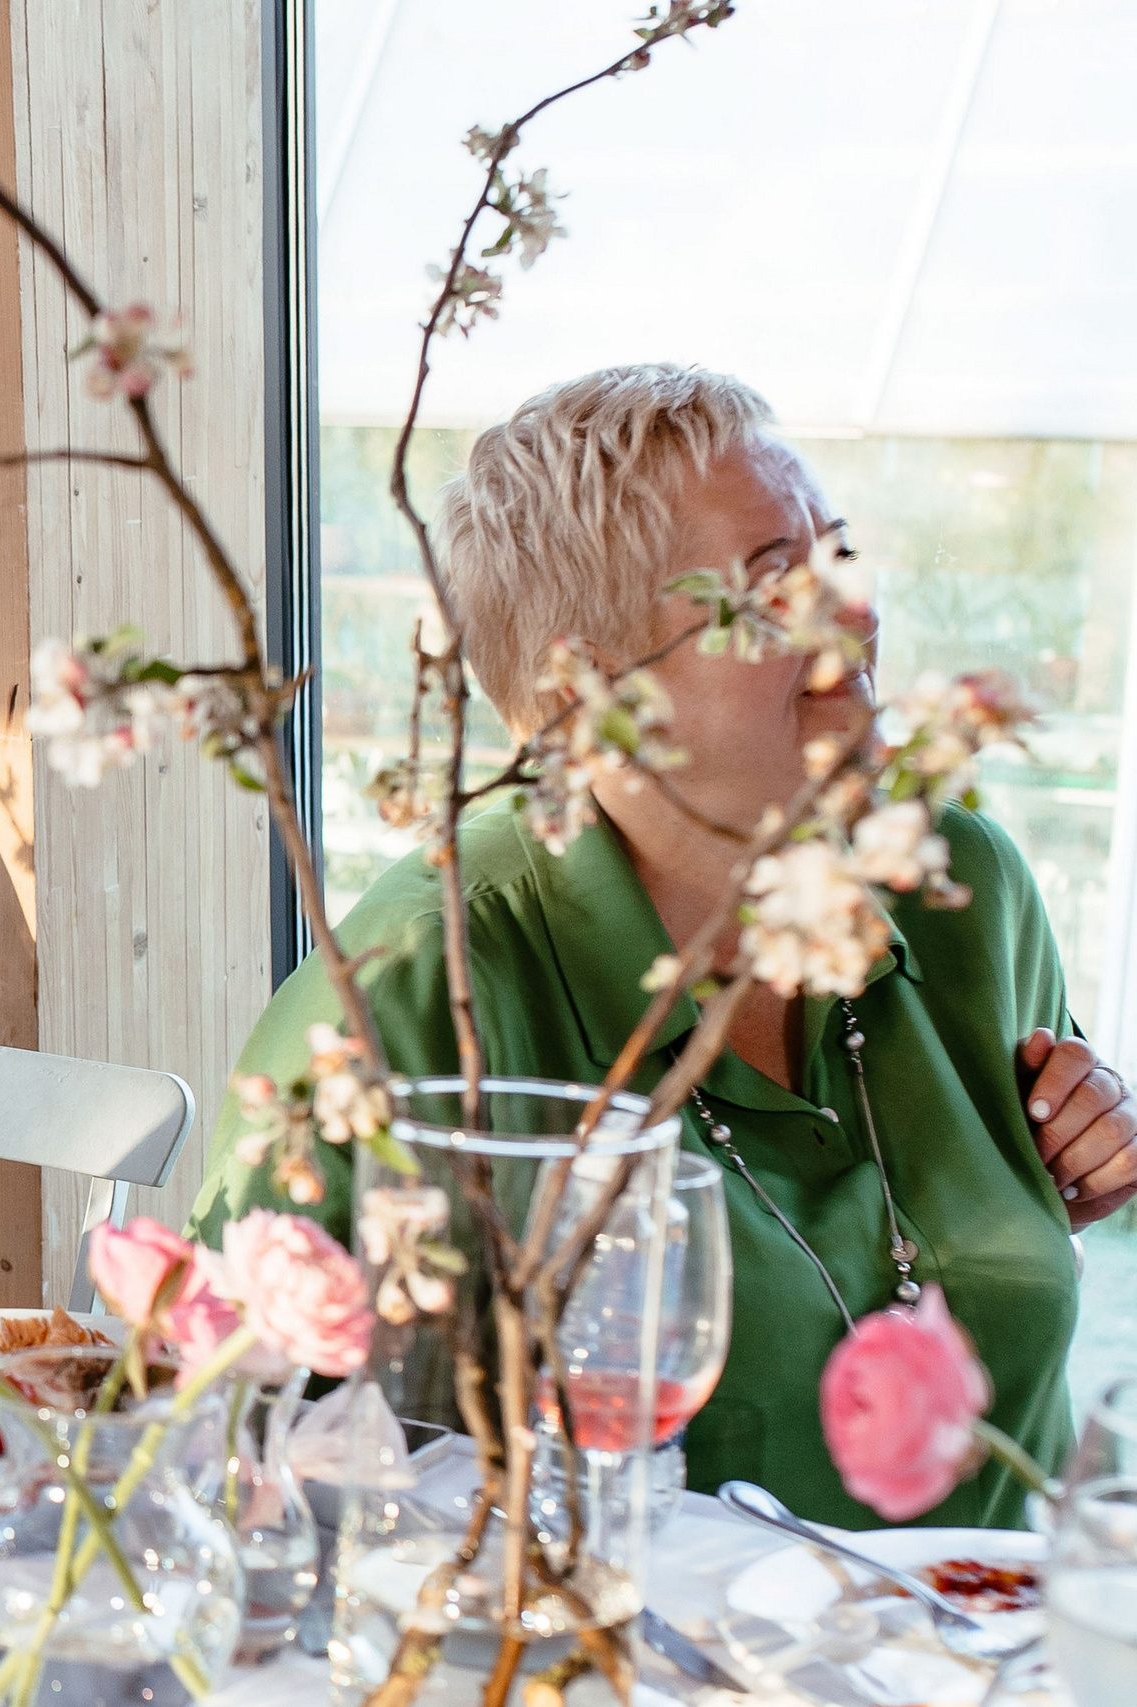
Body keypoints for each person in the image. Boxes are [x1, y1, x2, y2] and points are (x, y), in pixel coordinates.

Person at [188, 364, 1137, 1530]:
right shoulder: (416, 989)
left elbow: (1059, 1203)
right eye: (775, 583)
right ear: (587, 694)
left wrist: (1103, 1138)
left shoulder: (962, 886)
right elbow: (223, 1453)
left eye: (839, 557)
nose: (855, 611)